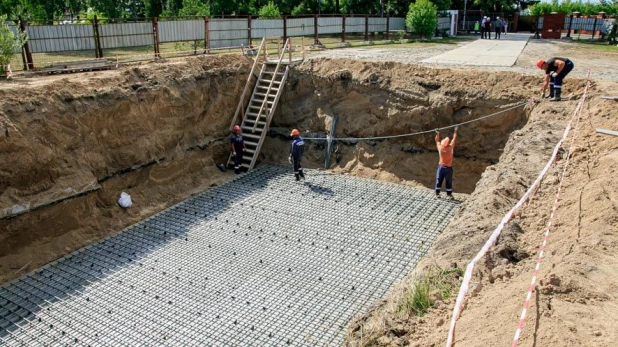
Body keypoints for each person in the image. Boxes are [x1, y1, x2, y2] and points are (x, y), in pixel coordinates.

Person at [434, 127, 458, 200]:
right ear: (447, 144)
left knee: (439, 180)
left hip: (441, 167)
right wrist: (455, 131)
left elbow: (436, 140)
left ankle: (437, 194)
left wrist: (437, 133)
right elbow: (454, 139)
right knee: (448, 181)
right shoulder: (450, 148)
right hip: (448, 168)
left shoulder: (440, 148)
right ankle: (449, 195)